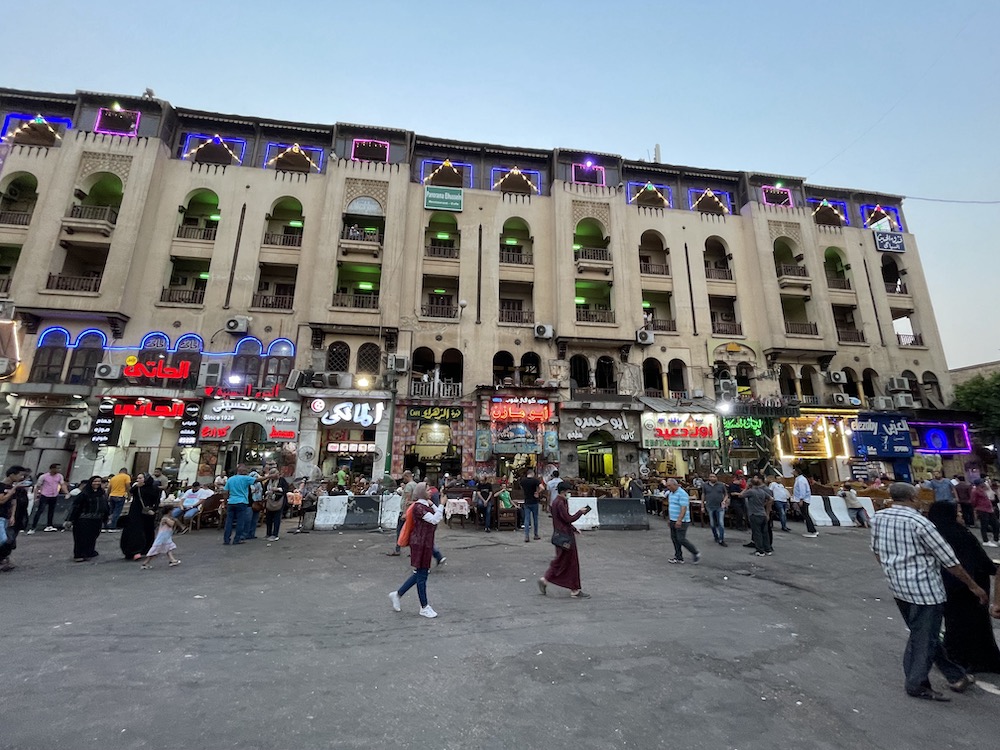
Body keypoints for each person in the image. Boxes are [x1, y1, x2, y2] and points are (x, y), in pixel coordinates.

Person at [870, 482, 986, 700]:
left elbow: (876, 551)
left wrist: (893, 570)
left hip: (898, 586)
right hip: (925, 590)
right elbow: (949, 560)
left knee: (924, 634)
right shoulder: (920, 523)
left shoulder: (878, 518)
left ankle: (956, 676)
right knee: (924, 638)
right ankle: (916, 683)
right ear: (913, 497)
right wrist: (973, 585)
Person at [927, 502, 1000, 674]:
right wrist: (988, 573)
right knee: (976, 625)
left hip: (946, 587)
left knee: (955, 624)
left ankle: (956, 658)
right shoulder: (959, 534)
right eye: (957, 513)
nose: (960, 516)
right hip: (969, 586)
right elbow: (977, 560)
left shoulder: (933, 534)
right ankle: (979, 660)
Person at [389, 483, 445, 618]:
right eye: (427, 489)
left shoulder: (425, 505)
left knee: (419, 574)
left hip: (425, 543)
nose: (430, 491)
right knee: (422, 575)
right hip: (420, 543)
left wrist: (434, 504)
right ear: (421, 492)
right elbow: (435, 519)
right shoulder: (419, 508)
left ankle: (397, 594)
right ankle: (424, 606)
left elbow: (438, 516)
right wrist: (442, 504)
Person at [538, 482, 592, 599]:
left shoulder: (556, 502)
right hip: (565, 537)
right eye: (568, 491)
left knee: (561, 560)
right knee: (570, 562)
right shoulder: (560, 503)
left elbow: (561, 520)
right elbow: (568, 518)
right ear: (564, 491)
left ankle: (548, 580)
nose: (569, 494)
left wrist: (573, 528)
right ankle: (573, 589)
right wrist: (580, 512)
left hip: (560, 535)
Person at [68, 476, 109, 562]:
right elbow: (76, 507)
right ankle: (79, 554)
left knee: (92, 536)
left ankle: (89, 552)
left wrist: (106, 517)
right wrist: (70, 519)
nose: (97, 483)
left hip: (97, 519)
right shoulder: (84, 494)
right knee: (81, 537)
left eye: (99, 482)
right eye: (95, 481)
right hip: (83, 519)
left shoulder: (102, 494)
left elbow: (105, 506)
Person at [121, 473, 160, 561]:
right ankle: (134, 550)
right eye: (137, 478)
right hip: (136, 511)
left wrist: (154, 509)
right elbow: (131, 492)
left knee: (148, 530)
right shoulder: (137, 488)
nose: (138, 480)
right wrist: (136, 486)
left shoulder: (154, 488)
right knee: (135, 530)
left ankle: (147, 548)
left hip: (148, 512)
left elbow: (157, 500)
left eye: (140, 478)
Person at [0, 466, 31, 572]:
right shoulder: (2, 486)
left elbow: (14, 502)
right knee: (3, 539)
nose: (21, 478)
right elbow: (2, 500)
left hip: (7, 517)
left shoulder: (15, 488)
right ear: (12, 474)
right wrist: (12, 490)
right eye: (20, 475)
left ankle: (4, 559)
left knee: (9, 539)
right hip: (1, 515)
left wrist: (12, 516)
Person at [666, 478, 700, 564]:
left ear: (675, 485)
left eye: (669, 486)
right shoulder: (671, 494)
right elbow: (671, 507)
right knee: (674, 539)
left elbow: (683, 508)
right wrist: (670, 519)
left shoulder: (682, 494)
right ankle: (678, 557)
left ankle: (695, 552)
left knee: (681, 539)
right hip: (673, 519)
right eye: (667, 486)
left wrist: (679, 520)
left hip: (682, 520)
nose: (668, 487)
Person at [30, 463, 69, 534]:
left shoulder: (59, 476)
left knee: (51, 511)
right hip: (44, 495)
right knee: (40, 510)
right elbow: (38, 486)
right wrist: (36, 496)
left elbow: (62, 485)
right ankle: (33, 527)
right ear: (52, 469)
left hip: (54, 495)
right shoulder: (44, 476)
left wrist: (67, 492)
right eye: (57, 468)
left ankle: (49, 525)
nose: (59, 470)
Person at [740, 477, 773, 556]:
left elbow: (741, 495)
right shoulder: (762, 491)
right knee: (765, 532)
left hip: (754, 514)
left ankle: (760, 551)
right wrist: (764, 505)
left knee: (757, 533)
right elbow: (771, 498)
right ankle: (768, 549)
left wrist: (746, 488)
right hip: (763, 514)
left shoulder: (751, 491)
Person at [223, 465, 255, 545]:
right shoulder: (245, 478)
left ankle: (226, 539)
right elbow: (257, 479)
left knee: (229, 522)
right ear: (242, 471)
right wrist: (269, 476)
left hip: (231, 502)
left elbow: (225, 492)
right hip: (242, 502)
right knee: (240, 522)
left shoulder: (230, 479)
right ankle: (237, 539)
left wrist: (225, 501)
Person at [389, 470, 416, 556]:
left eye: (404, 477)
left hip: (406, 511)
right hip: (412, 511)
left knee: (399, 530)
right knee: (411, 531)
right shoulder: (416, 485)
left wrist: (404, 512)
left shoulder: (408, 486)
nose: (403, 480)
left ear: (407, 476)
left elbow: (407, 500)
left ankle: (397, 549)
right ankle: (413, 551)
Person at [971, 479, 1000, 547]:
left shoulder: (982, 490)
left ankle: (996, 538)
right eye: (982, 482)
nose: (984, 483)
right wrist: (977, 507)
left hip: (989, 509)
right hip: (982, 509)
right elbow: (973, 501)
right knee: (984, 525)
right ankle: (985, 540)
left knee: (996, 524)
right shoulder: (975, 491)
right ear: (979, 484)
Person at [263, 469, 289, 541]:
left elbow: (286, 489)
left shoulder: (282, 480)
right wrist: (267, 492)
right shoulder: (268, 481)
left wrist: (278, 489)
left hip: (279, 501)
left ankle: (275, 534)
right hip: (270, 501)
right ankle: (268, 533)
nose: (277, 475)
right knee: (269, 518)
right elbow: (264, 490)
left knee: (277, 518)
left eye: (278, 474)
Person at [702, 473, 728, 546]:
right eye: (711, 477)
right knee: (712, 524)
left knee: (721, 523)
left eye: (714, 477)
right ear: (709, 478)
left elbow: (726, 494)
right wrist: (702, 506)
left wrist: (724, 501)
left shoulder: (721, 485)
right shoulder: (705, 485)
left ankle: (721, 539)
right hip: (710, 506)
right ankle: (716, 536)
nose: (712, 478)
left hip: (720, 506)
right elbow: (703, 495)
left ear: (716, 478)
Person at [793, 466, 818, 538]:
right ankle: (812, 529)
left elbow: (802, 490)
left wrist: (801, 499)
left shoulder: (801, 480)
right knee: (806, 515)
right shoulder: (800, 479)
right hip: (804, 499)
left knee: (806, 515)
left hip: (803, 500)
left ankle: (812, 530)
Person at [104, 467, 131, 532]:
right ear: (126, 472)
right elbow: (127, 486)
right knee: (117, 512)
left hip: (112, 495)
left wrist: (107, 496)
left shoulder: (114, 477)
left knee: (111, 511)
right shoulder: (126, 476)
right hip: (120, 495)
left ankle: (106, 525)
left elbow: (109, 488)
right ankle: (112, 526)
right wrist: (129, 494)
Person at [520, 469, 542, 542]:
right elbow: (542, 487)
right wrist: (537, 492)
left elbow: (522, 487)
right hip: (534, 501)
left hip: (527, 501)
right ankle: (535, 534)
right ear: (532, 474)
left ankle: (526, 536)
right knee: (535, 518)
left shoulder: (523, 481)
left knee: (527, 519)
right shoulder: (535, 480)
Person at [245, 472, 264, 540]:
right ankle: (246, 534)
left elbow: (261, 492)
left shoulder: (259, 484)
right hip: (250, 503)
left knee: (254, 519)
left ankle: (252, 533)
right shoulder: (248, 484)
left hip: (256, 502)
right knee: (248, 519)